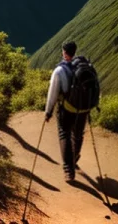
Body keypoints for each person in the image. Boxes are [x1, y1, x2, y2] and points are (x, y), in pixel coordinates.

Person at [44, 41, 96, 182]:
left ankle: (69, 170)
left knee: (64, 134)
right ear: (75, 51)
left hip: (67, 108)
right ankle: (74, 158)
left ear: (64, 52)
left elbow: (53, 93)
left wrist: (48, 112)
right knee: (78, 134)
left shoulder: (60, 71)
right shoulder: (87, 67)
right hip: (84, 108)